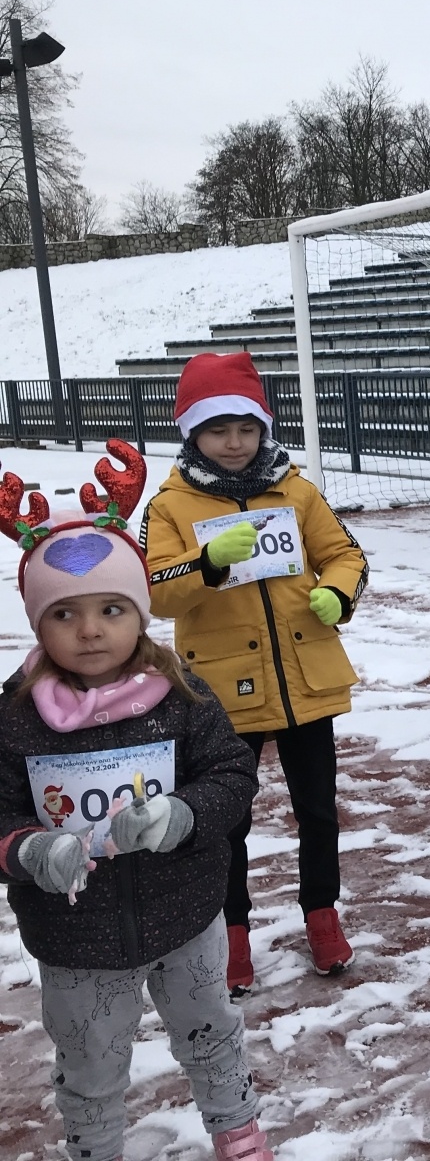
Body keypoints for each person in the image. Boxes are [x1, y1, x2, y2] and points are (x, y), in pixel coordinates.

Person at [0, 447, 274, 1161]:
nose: (90, 631)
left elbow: (231, 777)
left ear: (140, 612)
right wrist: (30, 850)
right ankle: (95, 1149)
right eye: (65, 614)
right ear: (39, 623)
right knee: (90, 1064)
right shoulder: (17, 714)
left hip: (185, 916)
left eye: (112, 609)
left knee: (211, 1033)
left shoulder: (181, 693)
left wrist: (183, 815)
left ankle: (238, 1135)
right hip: (75, 941)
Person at [141, 351, 369, 996]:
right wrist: (205, 561)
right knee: (225, 822)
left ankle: (322, 916)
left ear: (263, 427)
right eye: (218, 430)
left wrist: (338, 594)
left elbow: (344, 553)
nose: (234, 442)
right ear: (193, 433)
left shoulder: (294, 488)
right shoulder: (170, 504)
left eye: (245, 427)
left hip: (306, 680)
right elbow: (155, 592)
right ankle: (231, 932)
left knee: (317, 812)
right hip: (222, 691)